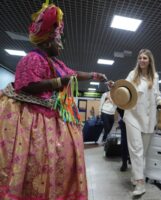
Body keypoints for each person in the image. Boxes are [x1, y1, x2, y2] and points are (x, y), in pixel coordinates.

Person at [0, 2, 107, 199]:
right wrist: (60, 81)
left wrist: (93, 75)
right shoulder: (32, 59)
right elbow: (26, 85)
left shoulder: (55, 62)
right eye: (59, 42)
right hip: (34, 123)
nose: (61, 45)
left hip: (54, 121)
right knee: (37, 166)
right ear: (48, 41)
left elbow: (73, 74)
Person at [123, 49, 161, 196]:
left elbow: (156, 95)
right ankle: (140, 183)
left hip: (148, 119)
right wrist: (115, 87)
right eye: (140, 58)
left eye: (145, 58)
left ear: (149, 61)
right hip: (132, 115)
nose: (142, 60)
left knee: (142, 153)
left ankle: (135, 176)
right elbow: (124, 89)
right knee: (136, 149)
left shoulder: (154, 77)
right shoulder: (132, 74)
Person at [117, 108, 130, 172]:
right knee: (124, 143)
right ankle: (124, 162)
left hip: (133, 121)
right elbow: (119, 107)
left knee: (131, 143)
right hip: (125, 120)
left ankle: (128, 160)